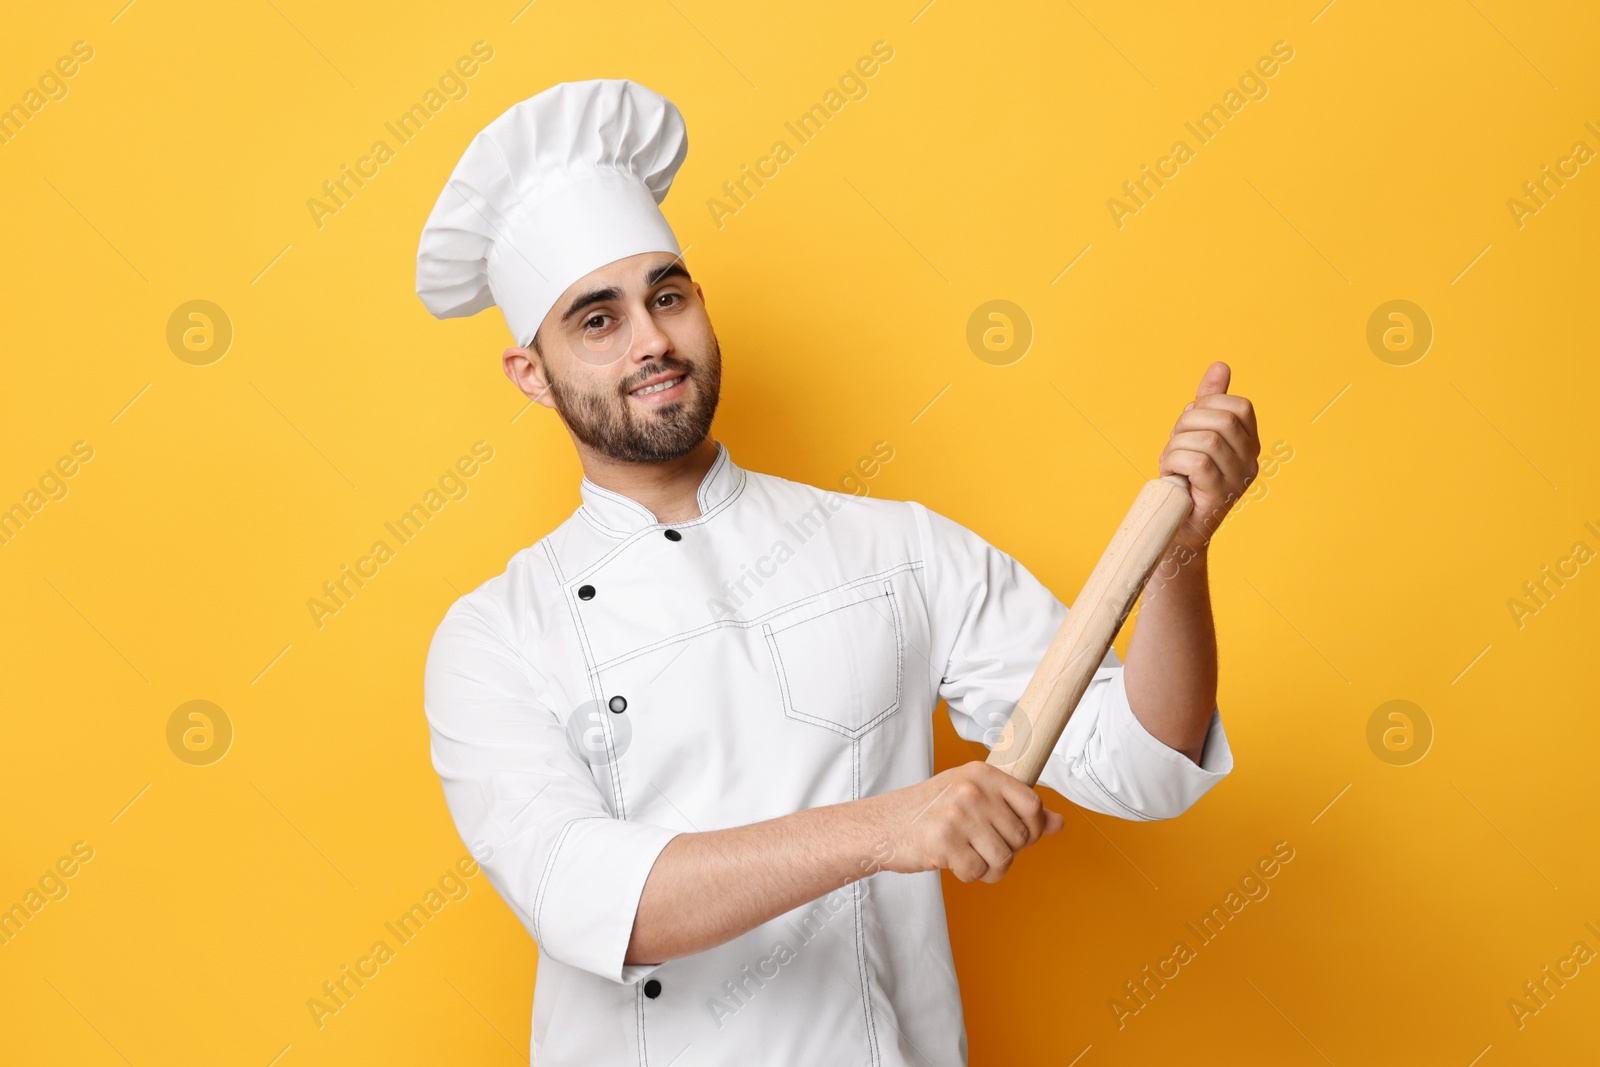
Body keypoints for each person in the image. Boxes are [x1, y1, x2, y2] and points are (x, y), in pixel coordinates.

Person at [416, 78, 1256, 1066]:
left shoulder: (897, 548)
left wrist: (1179, 556)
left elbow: (1140, 758)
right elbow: (588, 899)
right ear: (532, 372)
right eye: (596, 321)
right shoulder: (494, 635)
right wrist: (883, 828)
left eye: (668, 295)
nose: (651, 340)